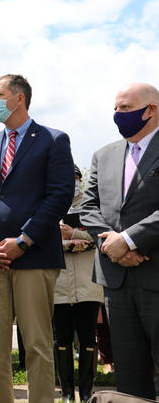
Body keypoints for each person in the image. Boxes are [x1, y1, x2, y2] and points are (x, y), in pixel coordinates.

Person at [0, 74, 75, 403]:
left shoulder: (53, 140)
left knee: (38, 346)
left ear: (19, 99)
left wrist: (23, 241)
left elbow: (59, 196)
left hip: (34, 257)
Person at [80, 82, 159, 399]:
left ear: (151, 109)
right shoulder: (104, 155)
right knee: (128, 371)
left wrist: (129, 239)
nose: (117, 114)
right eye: (115, 108)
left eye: (125, 107)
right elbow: (88, 208)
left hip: (155, 272)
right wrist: (111, 245)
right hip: (116, 281)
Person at [53, 165, 104, 403]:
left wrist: (75, 234)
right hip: (59, 284)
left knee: (87, 336)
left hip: (88, 282)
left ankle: (86, 391)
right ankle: (65, 392)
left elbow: (102, 236)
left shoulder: (93, 205)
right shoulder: (50, 205)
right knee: (61, 338)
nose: (71, 183)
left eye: (74, 179)